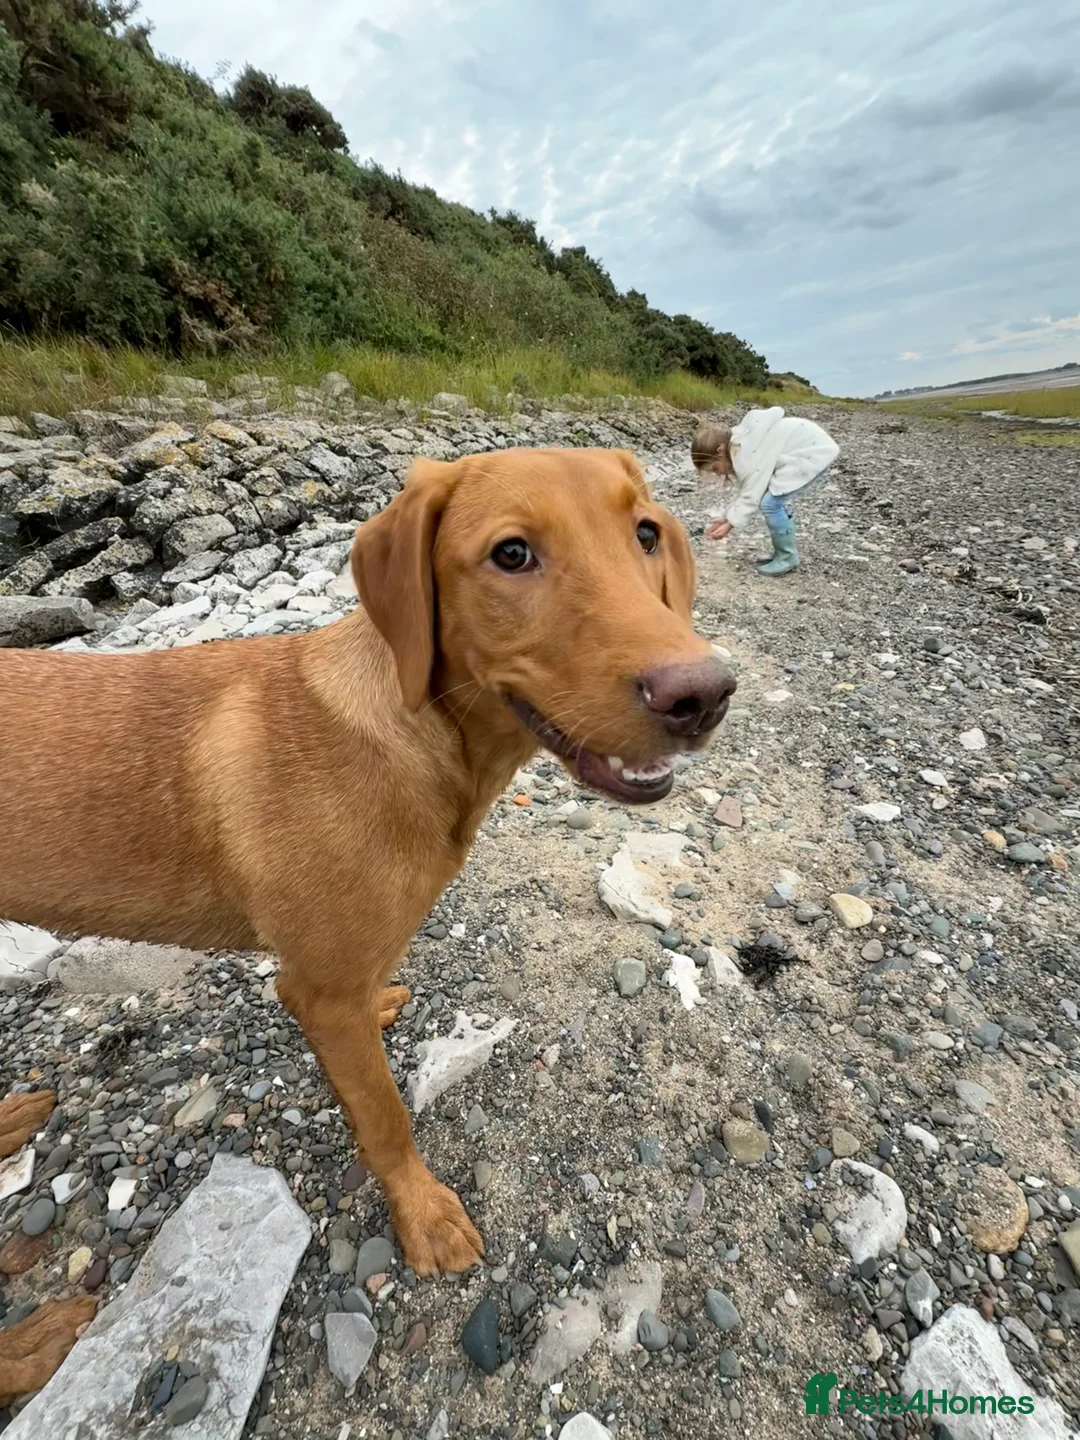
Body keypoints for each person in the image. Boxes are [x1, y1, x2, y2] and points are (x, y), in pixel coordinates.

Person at [691, 407, 839, 577]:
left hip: (810, 455)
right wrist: (727, 517)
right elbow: (748, 490)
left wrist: (730, 524)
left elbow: (751, 495)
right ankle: (781, 553)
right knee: (771, 499)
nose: (718, 473)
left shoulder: (746, 453)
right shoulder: (741, 444)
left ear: (720, 450)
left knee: (770, 504)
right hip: (807, 450)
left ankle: (787, 556)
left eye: (715, 468)